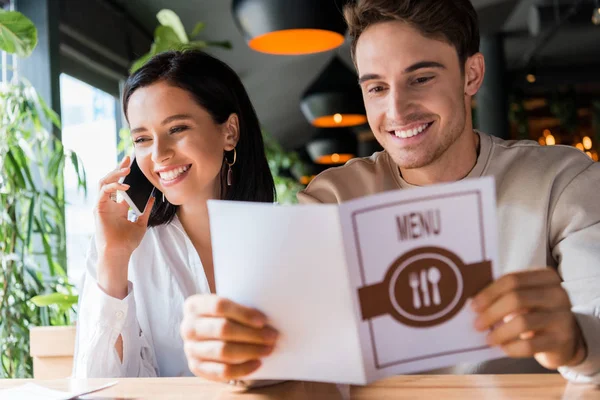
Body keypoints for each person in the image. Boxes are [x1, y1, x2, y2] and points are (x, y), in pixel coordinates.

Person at [297, 0, 600, 383]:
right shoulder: (332, 201)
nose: (397, 110)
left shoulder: (561, 182)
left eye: (421, 78)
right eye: (376, 87)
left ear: (471, 75)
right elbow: (296, 349)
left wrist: (576, 342)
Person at [73, 50, 280, 381]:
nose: (159, 154)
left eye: (177, 128)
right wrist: (114, 256)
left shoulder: (284, 240)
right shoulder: (125, 250)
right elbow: (98, 386)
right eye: (142, 138)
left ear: (230, 132)